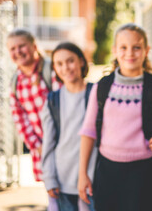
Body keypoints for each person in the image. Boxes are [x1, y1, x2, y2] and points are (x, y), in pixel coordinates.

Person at [77, 23, 152, 211]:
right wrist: (82, 174)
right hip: (107, 172)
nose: (130, 53)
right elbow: (88, 131)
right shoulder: (102, 87)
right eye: (124, 47)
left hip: (145, 173)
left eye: (137, 47)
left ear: (146, 50)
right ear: (115, 51)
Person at [7, 29, 61, 211]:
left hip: (65, 145)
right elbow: (20, 118)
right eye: (13, 48)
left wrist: (57, 141)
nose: (18, 51)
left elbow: (65, 107)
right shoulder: (15, 82)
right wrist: (37, 145)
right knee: (53, 194)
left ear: (34, 46)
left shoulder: (51, 70)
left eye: (22, 46)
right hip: (42, 149)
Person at [41, 42, 97, 211]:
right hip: (63, 181)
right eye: (59, 63)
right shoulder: (53, 101)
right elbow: (48, 145)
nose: (66, 67)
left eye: (70, 61)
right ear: (55, 69)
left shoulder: (96, 93)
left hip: (93, 179)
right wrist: (49, 179)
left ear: (81, 61)